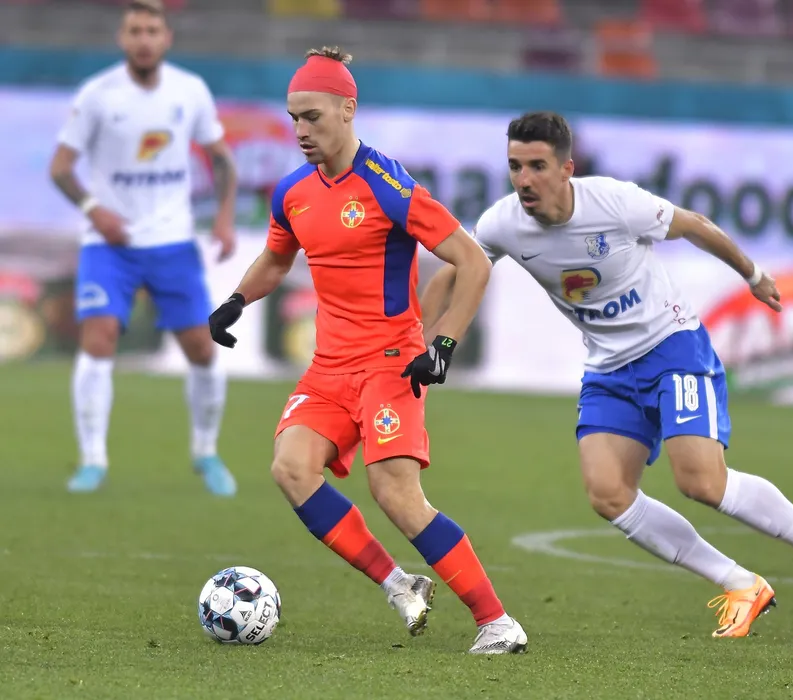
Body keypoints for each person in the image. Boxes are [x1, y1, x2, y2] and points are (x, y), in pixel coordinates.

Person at [420, 111, 793, 639]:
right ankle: (740, 583)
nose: (524, 180)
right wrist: (419, 339)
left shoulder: (614, 202)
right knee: (608, 492)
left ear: (566, 168)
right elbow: (456, 269)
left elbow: (695, 225)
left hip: (672, 346)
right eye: (515, 166)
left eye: (537, 166)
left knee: (702, 482)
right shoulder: (502, 223)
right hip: (608, 368)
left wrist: (752, 274)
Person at [207, 47, 527, 655]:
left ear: (347, 110)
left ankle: (498, 622)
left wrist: (443, 344)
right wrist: (235, 300)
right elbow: (276, 258)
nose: (301, 130)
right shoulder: (292, 192)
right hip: (329, 368)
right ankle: (399, 583)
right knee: (290, 469)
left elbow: (472, 262)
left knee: (395, 494)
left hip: (389, 363)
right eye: (293, 118)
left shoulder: (387, 183)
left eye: (312, 116)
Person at [49, 0, 238, 496]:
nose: (144, 39)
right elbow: (60, 167)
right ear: (122, 38)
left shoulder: (189, 90)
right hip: (109, 245)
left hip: (173, 242)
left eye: (153, 30)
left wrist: (223, 219)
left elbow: (221, 159)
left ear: (166, 38)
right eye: (135, 30)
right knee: (99, 338)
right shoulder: (97, 94)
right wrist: (95, 210)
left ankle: (206, 451)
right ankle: (92, 461)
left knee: (202, 348)